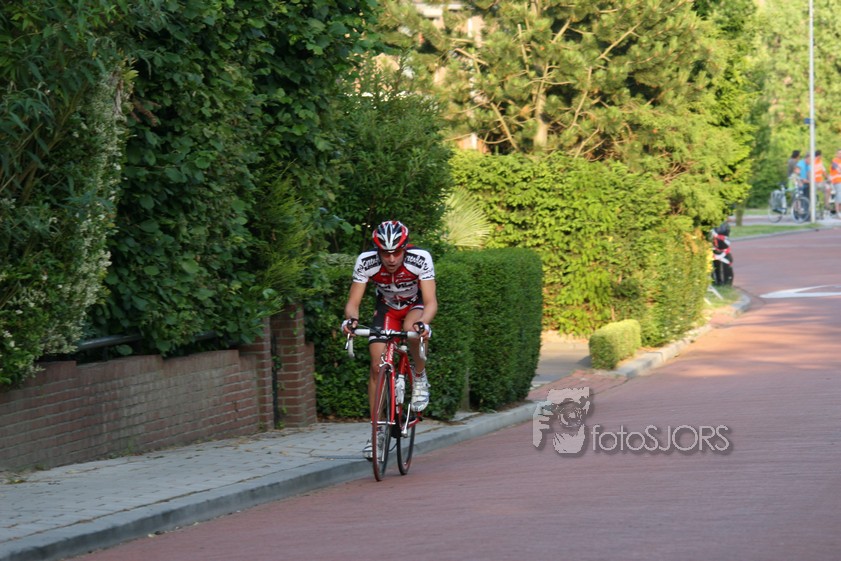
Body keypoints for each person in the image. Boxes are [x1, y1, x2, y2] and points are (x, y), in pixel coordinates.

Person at [341, 220, 437, 459]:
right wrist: (351, 321)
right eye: (385, 253)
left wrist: (424, 323)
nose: (391, 259)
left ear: (405, 248)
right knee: (377, 366)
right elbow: (353, 302)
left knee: (411, 329)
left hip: (414, 307)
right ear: (378, 250)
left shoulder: (420, 258)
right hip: (387, 310)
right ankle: (378, 433)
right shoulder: (366, 261)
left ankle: (419, 375)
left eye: (396, 252)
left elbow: (431, 301)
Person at [830, 149, 841, 217]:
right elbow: (839, 170)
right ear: (836, 154)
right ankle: (838, 212)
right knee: (838, 196)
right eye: (839, 153)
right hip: (837, 181)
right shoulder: (834, 161)